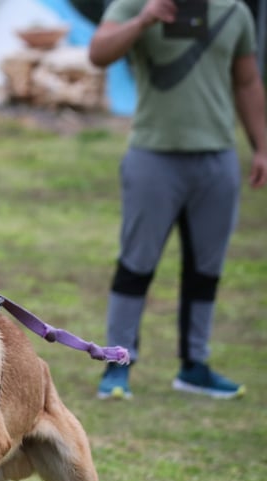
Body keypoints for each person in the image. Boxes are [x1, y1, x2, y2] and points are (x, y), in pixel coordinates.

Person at [88, 0, 267, 400]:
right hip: (153, 157)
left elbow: (247, 81)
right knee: (136, 265)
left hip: (217, 159)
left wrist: (262, 146)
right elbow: (99, 53)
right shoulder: (135, 4)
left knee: (207, 269)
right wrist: (144, 19)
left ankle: (195, 366)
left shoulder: (234, 10)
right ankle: (118, 365)